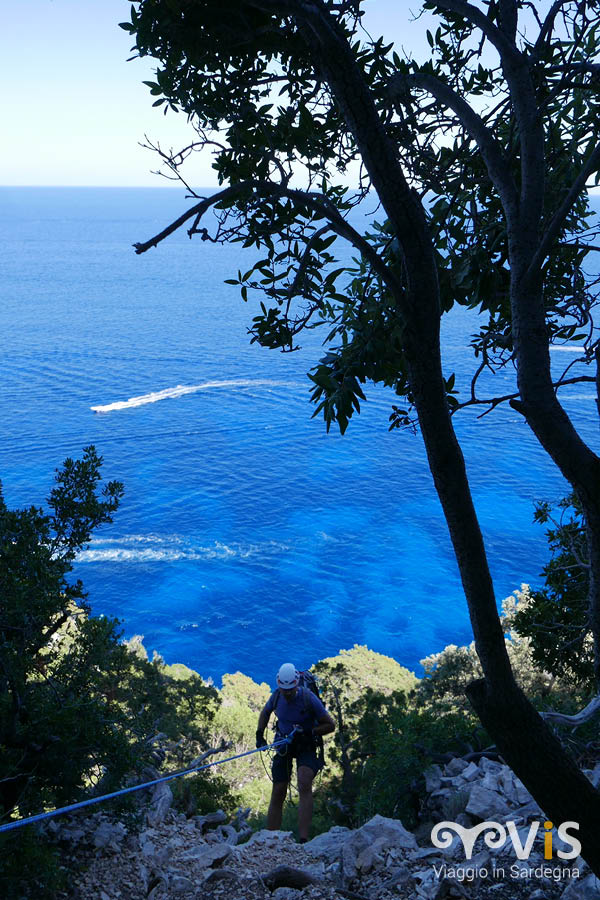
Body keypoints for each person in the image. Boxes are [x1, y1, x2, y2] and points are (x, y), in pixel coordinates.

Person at [256, 662, 335, 842]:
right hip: (284, 743)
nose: (287, 693)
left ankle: (303, 838)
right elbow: (265, 712)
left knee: (304, 782)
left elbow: (330, 725)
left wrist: (309, 732)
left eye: (290, 689)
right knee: (278, 789)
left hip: (305, 744)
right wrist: (259, 734)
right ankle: (271, 837)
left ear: (296, 684)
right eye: (284, 690)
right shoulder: (276, 696)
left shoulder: (308, 698)